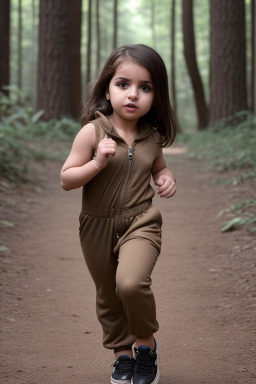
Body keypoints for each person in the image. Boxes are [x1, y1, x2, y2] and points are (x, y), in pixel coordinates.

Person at [60, 44, 177, 384]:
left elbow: (160, 170)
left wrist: (165, 178)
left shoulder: (152, 138)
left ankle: (144, 346)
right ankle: (122, 356)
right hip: (95, 225)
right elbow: (66, 179)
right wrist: (96, 162)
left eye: (145, 87)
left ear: (156, 96)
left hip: (141, 221)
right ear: (107, 90)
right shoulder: (91, 133)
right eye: (123, 84)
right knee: (108, 294)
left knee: (130, 283)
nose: (133, 94)